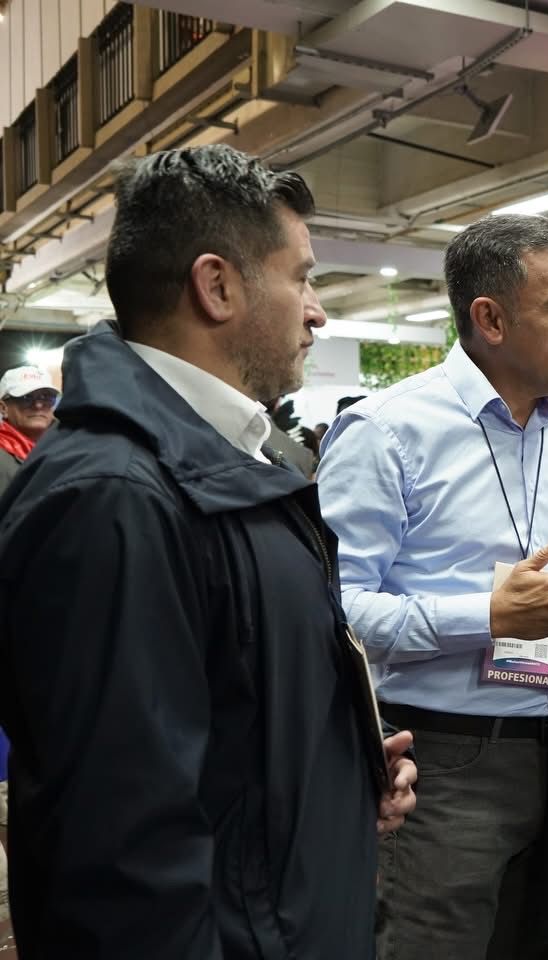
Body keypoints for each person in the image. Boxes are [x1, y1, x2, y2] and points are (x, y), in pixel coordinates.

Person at [0, 144, 415, 957]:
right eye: (302, 278)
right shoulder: (114, 499)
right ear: (217, 286)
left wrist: (342, 772)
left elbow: (232, 720)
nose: (318, 312)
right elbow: (123, 863)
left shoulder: (234, 463)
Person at [318, 214, 548, 960]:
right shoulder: (387, 431)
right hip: (438, 760)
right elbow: (330, 611)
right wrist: (484, 615)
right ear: (491, 319)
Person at [0, 366, 60, 492]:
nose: (38, 405)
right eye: (26, 398)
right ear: (3, 408)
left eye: (46, 397)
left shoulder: (65, 449)